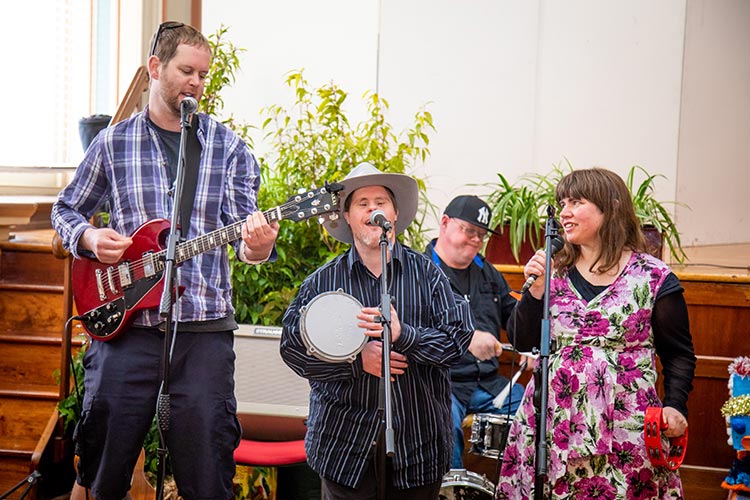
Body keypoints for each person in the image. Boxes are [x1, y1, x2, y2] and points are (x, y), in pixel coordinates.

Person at [51, 22, 279, 500]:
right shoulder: (112, 144)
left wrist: (257, 245)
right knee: (103, 465)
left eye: (203, 74)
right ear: (156, 68)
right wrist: (90, 236)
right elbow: (65, 209)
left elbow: (247, 242)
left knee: (207, 471)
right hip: (124, 327)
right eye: (186, 70)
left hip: (202, 332)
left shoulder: (230, 149)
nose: (197, 82)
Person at [495, 168, 696, 499]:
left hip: (625, 425)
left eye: (577, 201)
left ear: (612, 208)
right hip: (552, 424)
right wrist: (536, 291)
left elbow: (678, 353)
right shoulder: (552, 271)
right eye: (562, 203)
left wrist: (676, 406)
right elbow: (521, 339)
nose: (565, 212)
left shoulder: (653, 277)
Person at [279, 162, 474, 500]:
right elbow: (292, 349)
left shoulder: (428, 275)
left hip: (418, 448)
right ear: (348, 217)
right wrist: (356, 361)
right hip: (343, 449)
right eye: (362, 203)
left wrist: (405, 335)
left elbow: (459, 340)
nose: (373, 210)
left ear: (395, 213)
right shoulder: (322, 281)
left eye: (380, 202)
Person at [425, 195, 528, 469]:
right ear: (444, 223)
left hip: (490, 385)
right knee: (441, 422)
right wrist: (466, 338)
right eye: (469, 230)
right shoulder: (420, 271)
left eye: (481, 234)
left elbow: (515, 320)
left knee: (534, 409)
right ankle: (449, 492)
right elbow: (412, 331)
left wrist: (531, 345)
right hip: (442, 384)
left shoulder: (488, 271)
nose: (475, 240)